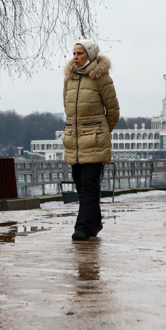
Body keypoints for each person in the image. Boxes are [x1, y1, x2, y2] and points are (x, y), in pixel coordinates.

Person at [62, 40, 120, 241]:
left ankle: (83, 227)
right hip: (75, 141)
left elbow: (113, 111)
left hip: (95, 140)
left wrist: (101, 132)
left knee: (89, 185)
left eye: (80, 53)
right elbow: (67, 109)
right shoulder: (69, 78)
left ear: (90, 55)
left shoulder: (101, 78)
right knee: (80, 184)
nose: (75, 57)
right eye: (74, 53)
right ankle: (95, 222)